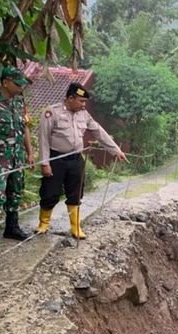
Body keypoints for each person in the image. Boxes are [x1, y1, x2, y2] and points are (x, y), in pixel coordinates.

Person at [36, 82, 128, 239]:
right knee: (50, 192)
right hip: (56, 158)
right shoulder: (52, 112)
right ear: (70, 98)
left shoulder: (83, 114)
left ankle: (75, 228)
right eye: (81, 101)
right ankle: (43, 224)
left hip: (76, 159)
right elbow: (43, 139)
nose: (83, 104)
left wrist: (115, 150)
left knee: (76, 193)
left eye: (84, 101)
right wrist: (45, 163)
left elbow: (98, 131)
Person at [0, 66, 35, 248]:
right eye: (17, 84)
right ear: (5, 82)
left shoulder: (19, 102)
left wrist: (30, 152)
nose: (21, 87)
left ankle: (12, 226)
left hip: (17, 155)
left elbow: (25, 127)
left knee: (16, 190)